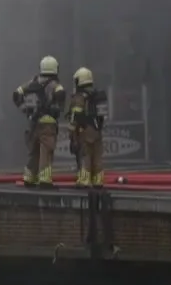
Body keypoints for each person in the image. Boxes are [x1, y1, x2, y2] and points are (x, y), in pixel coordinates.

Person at [11, 56, 67, 188]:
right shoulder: (55, 85)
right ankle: (45, 179)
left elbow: (16, 94)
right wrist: (56, 108)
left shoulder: (32, 83)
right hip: (48, 124)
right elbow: (61, 95)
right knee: (46, 151)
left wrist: (25, 109)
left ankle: (29, 177)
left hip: (33, 123)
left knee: (34, 152)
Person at [67, 67, 109, 188]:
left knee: (85, 155)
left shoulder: (79, 97)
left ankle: (84, 180)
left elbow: (75, 117)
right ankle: (98, 181)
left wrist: (72, 134)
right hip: (97, 130)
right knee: (97, 157)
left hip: (84, 130)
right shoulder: (96, 95)